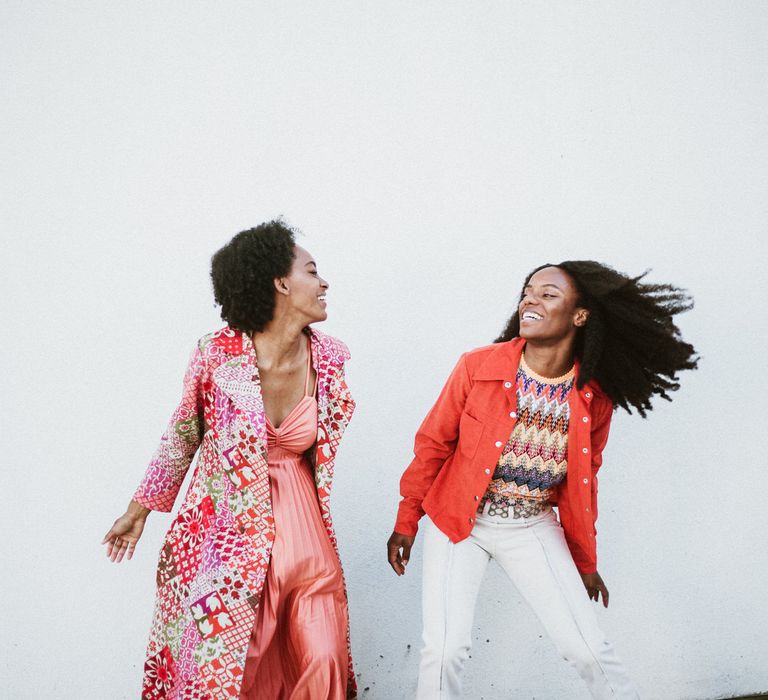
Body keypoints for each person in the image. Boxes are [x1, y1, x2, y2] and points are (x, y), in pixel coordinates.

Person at [387, 261, 698, 699]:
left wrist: (584, 563)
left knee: (588, 649)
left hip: (531, 526)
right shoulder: (479, 366)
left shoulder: (594, 396)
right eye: (528, 291)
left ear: (580, 315)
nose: (530, 300)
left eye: (548, 294)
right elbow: (433, 445)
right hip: (459, 522)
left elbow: (584, 484)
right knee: (444, 650)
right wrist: (407, 521)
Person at [103, 220, 357, 700]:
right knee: (234, 665)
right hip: (226, 537)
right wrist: (138, 512)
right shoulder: (217, 355)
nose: (324, 283)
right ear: (281, 283)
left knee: (322, 657)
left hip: (305, 533)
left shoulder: (331, 359)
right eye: (312, 271)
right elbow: (183, 434)